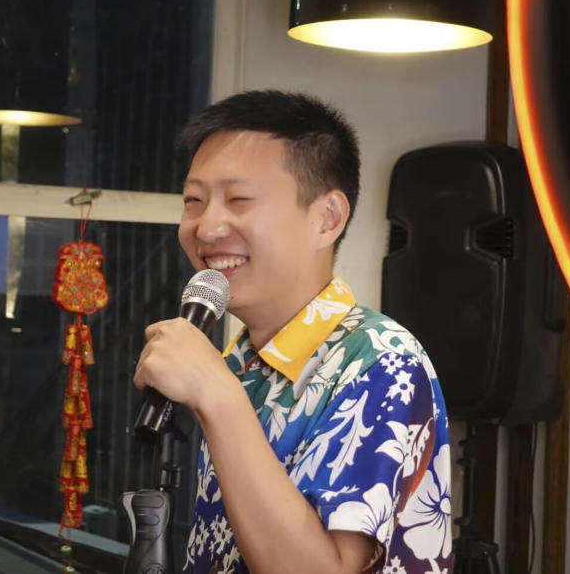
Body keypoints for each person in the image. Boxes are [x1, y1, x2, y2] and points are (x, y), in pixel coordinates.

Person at [133, 90, 452, 574]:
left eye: (238, 199)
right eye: (194, 201)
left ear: (327, 219)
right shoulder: (240, 360)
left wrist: (216, 396)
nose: (207, 226)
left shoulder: (381, 361)